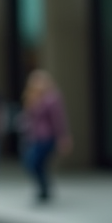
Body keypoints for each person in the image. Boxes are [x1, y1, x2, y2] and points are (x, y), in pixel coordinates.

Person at [20, 69, 71, 204]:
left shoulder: (52, 98)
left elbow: (58, 119)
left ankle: (44, 188)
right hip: (33, 136)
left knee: (35, 162)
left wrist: (63, 136)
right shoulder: (32, 97)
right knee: (35, 164)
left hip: (47, 137)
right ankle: (43, 188)